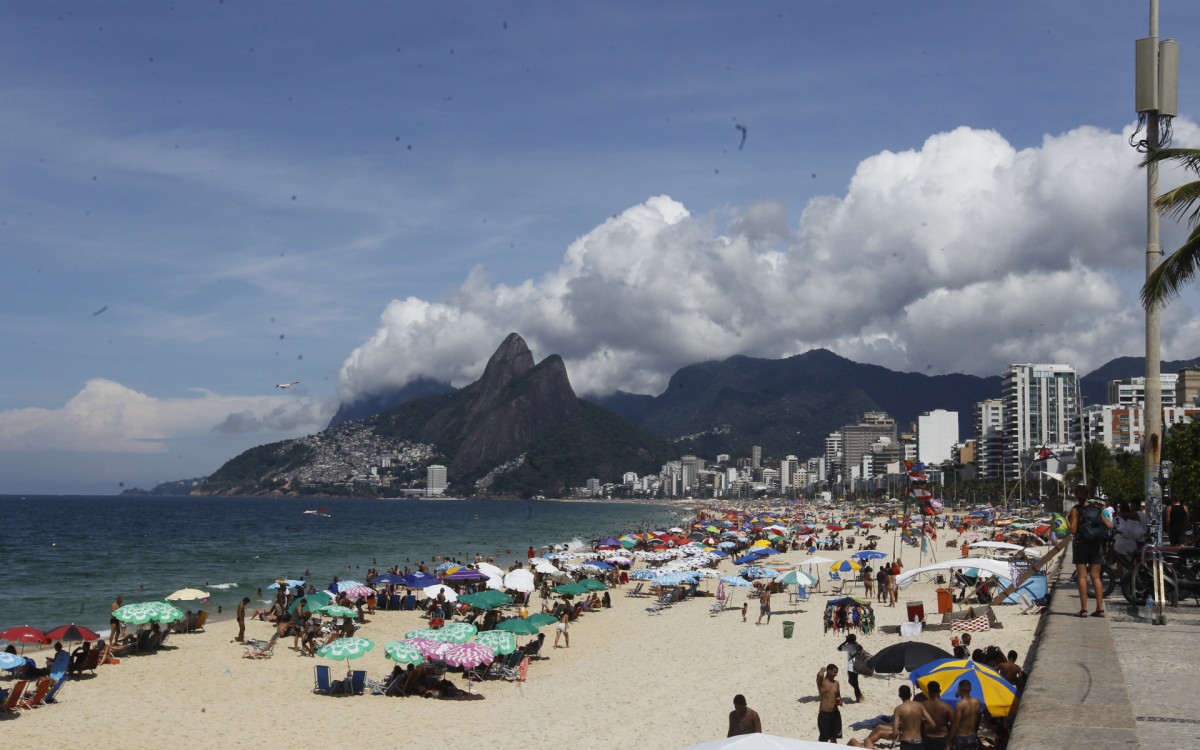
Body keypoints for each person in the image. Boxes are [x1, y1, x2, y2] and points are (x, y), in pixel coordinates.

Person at [1067, 484, 1112, 617]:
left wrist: (1067, 520)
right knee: (1096, 577)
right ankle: (1100, 609)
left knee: (1082, 577)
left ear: (1076, 496)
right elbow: (1108, 525)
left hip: (1081, 545)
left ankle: (1084, 610)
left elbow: (1074, 530)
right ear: (1088, 495)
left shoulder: (1076, 510)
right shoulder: (1097, 509)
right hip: (1096, 545)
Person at [947, 680, 985, 750]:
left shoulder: (959, 704)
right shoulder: (978, 702)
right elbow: (978, 720)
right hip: (973, 737)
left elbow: (956, 726)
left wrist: (948, 743)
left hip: (961, 739)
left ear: (959, 688)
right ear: (970, 689)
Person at [922, 681, 955, 750]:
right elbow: (954, 726)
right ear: (940, 690)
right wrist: (949, 743)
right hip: (943, 738)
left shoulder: (922, 705)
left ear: (929, 691)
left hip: (928, 738)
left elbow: (919, 724)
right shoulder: (947, 707)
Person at [816, 664, 842, 743]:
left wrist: (839, 701)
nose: (835, 674)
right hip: (825, 713)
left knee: (834, 737)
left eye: (836, 673)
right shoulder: (822, 682)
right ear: (829, 671)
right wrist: (822, 670)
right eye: (834, 672)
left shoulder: (836, 683)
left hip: (835, 713)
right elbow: (819, 675)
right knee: (824, 738)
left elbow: (838, 695)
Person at [838, 633, 864, 702]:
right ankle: (858, 695)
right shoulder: (858, 646)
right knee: (855, 681)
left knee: (852, 682)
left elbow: (839, 648)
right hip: (858, 665)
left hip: (851, 666)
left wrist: (845, 641)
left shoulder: (849, 646)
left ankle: (858, 695)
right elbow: (861, 649)